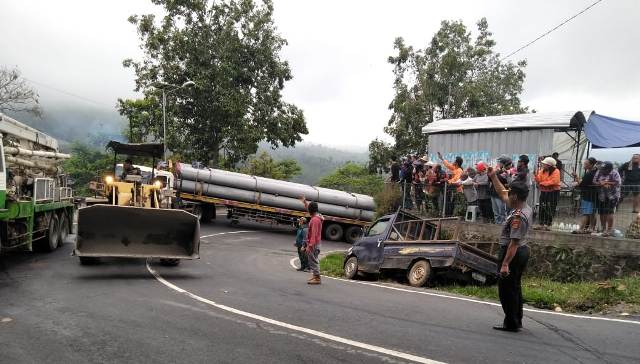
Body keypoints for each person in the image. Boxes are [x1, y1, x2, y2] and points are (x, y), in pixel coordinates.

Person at [488, 168, 532, 332]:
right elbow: (501, 193)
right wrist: (493, 177)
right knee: (515, 287)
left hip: (513, 253)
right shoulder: (524, 207)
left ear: (515, 196)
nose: (507, 195)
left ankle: (511, 322)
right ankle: (516, 320)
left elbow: (513, 242)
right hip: (521, 251)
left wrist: (505, 263)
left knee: (506, 289)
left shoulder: (518, 216)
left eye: (510, 193)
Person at [594, 162, 621, 237]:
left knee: (609, 212)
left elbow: (618, 182)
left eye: (604, 169)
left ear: (609, 169)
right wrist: (600, 183)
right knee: (602, 212)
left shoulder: (615, 172)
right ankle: (603, 228)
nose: (602, 171)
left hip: (613, 195)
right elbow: (594, 181)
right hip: (602, 195)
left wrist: (606, 182)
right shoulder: (599, 171)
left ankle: (609, 229)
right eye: (602, 169)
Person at [571, 157, 598, 234]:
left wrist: (576, 180)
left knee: (586, 212)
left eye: (586, 164)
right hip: (593, 195)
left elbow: (581, 184)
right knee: (592, 213)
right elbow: (582, 182)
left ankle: (581, 228)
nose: (584, 165)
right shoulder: (595, 172)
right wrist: (576, 177)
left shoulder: (590, 174)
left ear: (591, 164)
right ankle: (591, 228)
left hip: (588, 195)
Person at [300, 196, 323, 284]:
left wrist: (309, 246)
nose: (307, 210)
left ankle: (317, 278)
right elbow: (309, 209)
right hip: (316, 244)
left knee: (313, 261)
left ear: (311, 210)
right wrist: (305, 203)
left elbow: (313, 234)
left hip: (314, 244)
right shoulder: (317, 216)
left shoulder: (315, 220)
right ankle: (315, 276)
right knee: (313, 260)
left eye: (308, 209)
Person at [534, 157, 561, 231]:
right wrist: (536, 175)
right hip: (544, 191)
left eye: (544, 164)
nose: (543, 165)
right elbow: (539, 180)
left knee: (550, 207)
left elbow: (554, 181)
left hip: (553, 192)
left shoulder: (556, 171)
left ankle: (548, 224)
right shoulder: (542, 171)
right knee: (542, 207)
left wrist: (542, 183)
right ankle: (541, 224)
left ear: (549, 165)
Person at [490, 156, 512, 224]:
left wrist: (507, 174)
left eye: (500, 162)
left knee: (502, 213)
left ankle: (502, 227)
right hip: (494, 193)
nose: (498, 163)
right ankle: (497, 226)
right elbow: (490, 178)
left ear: (504, 163)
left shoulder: (508, 172)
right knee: (496, 213)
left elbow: (509, 183)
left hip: (501, 195)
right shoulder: (498, 171)